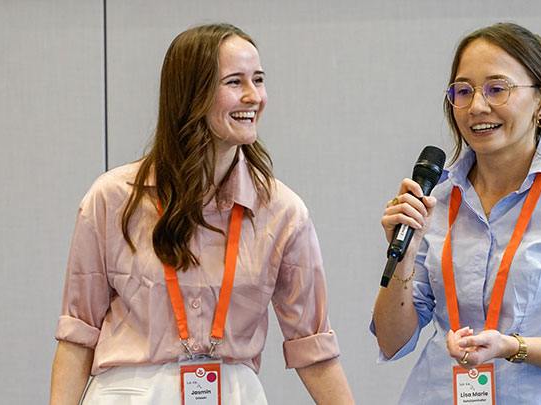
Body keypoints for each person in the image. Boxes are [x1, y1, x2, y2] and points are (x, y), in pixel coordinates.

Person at [50, 23, 354, 405]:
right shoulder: (112, 199)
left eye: (258, 80)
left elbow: (313, 348)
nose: (254, 96)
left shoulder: (283, 212)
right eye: (234, 82)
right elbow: (78, 336)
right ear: (191, 94)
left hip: (234, 394)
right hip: (129, 394)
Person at [370, 22, 541, 404]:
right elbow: (392, 341)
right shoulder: (437, 198)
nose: (478, 106)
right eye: (463, 91)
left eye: (498, 89)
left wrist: (512, 346)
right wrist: (404, 258)